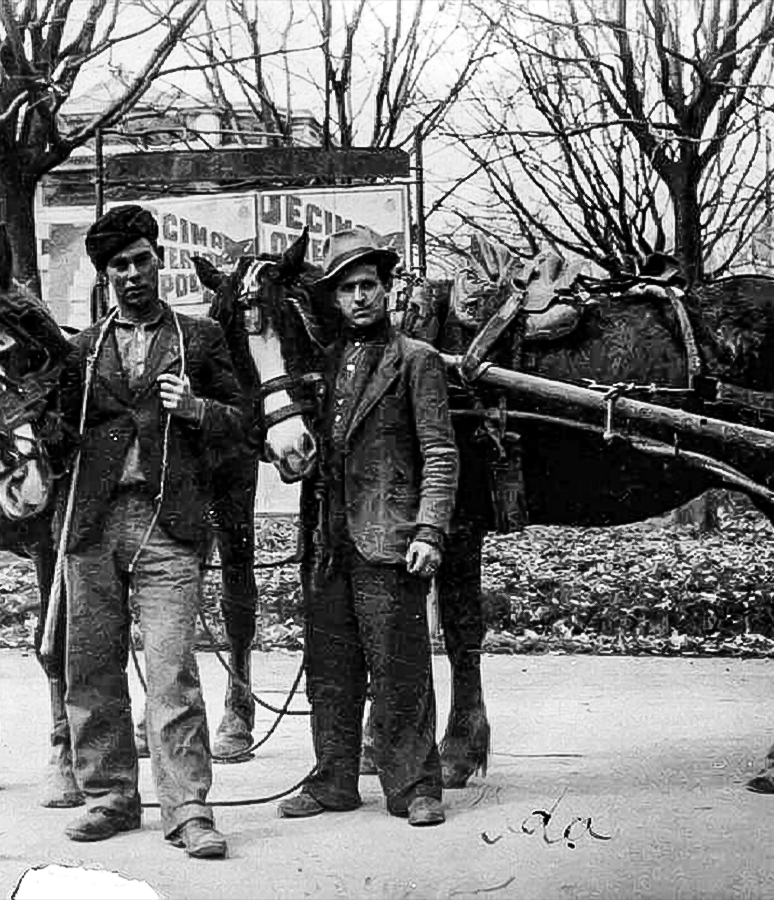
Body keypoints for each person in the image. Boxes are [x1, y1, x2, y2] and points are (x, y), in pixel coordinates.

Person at [60, 205, 246, 859]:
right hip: (93, 525)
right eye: (119, 265)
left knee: (171, 673)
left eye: (142, 260)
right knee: (92, 668)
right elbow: (55, 432)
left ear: (157, 260)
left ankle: (188, 807)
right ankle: (110, 797)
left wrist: (195, 409)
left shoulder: (201, 337)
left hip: (168, 525)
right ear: (105, 273)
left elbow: (241, 420)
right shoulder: (82, 350)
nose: (134, 274)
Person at [276, 226, 458, 827]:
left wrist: (430, 531)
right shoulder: (322, 364)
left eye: (369, 285)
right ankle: (333, 780)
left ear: (386, 289)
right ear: (333, 298)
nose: (360, 297)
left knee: (400, 668)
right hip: (328, 541)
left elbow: (440, 453)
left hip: (389, 536)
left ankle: (415, 787)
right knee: (331, 669)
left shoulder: (417, 360)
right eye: (348, 288)